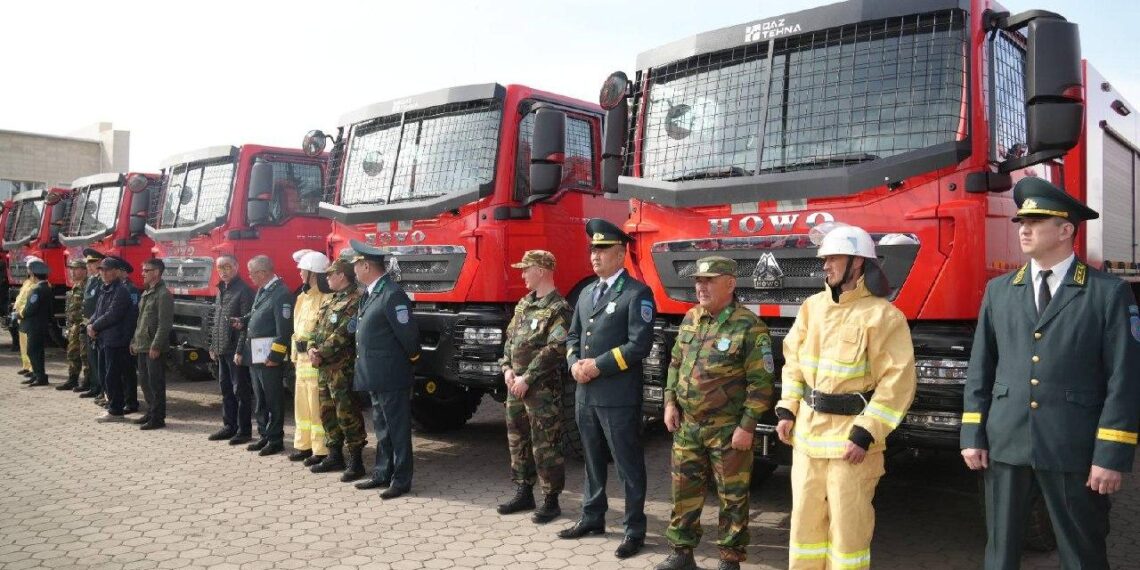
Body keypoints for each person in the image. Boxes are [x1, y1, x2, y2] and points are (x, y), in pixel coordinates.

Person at [960, 177, 1140, 569]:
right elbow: (981, 369)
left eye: (1037, 221)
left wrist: (1110, 455)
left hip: (1072, 448)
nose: (1024, 228)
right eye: (1022, 221)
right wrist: (973, 433)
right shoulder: (1000, 291)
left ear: (1065, 230)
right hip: (1006, 445)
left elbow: (1124, 380)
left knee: (1082, 553)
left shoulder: (1106, 292)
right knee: (1000, 554)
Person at [774, 223, 916, 570]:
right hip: (807, 437)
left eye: (833, 258)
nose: (825, 265)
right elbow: (794, 361)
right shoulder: (812, 307)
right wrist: (787, 409)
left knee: (848, 536)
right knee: (804, 530)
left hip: (852, 444)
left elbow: (897, 381)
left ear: (858, 262)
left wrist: (866, 432)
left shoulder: (883, 316)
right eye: (824, 259)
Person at [657, 256, 774, 570]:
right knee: (683, 491)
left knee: (732, 498)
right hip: (688, 426)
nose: (701, 286)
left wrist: (747, 425)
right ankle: (682, 554)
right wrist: (669, 402)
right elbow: (675, 364)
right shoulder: (691, 318)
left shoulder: (750, 326)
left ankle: (730, 559)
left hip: (727, 429)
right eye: (698, 280)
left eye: (709, 280)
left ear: (730, 284)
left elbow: (761, 382)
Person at [560, 218, 655, 560]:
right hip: (585, 394)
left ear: (621, 252)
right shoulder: (587, 292)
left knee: (628, 465)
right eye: (593, 250)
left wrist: (598, 364)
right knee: (591, 460)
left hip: (616, 396)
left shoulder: (636, 293)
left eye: (602, 250)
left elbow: (638, 345)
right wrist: (573, 362)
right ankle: (592, 516)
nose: (595, 256)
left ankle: (634, 530)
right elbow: (573, 335)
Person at [497, 250, 570, 524]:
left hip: (541, 391)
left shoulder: (559, 308)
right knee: (518, 439)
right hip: (515, 386)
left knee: (545, 444)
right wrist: (506, 369)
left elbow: (555, 348)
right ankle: (523, 490)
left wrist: (527, 378)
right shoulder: (523, 304)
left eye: (526, 269)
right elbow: (510, 340)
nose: (522, 274)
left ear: (541, 270)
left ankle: (551, 500)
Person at [350, 240, 420, 499]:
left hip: (391, 374)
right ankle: (382, 472)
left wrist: (409, 361)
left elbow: (409, 336)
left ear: (366, 265)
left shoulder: (392, 294)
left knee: (397, 429)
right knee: (381, 427)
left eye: (356, 265)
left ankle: (401, 480)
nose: (354, 271)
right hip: (375, 374)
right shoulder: (370, 293)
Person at [307, 257, 367, 481]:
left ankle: (356, 461)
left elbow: (344, 333)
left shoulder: (356, 299)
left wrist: (320, 351)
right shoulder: (330, 300)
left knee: (347, 412)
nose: (327, 279)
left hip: (342, 369)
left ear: (342, 275)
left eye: (330, 274)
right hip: (324, 367)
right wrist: (313, 348)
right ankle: (334, 455)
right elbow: (317, 327)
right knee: (327, 412)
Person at [237, 255, 294, 456]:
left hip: (269, 358)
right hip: (256, 356)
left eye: (252, 273)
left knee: (273, 400)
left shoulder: (281, 294)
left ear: (262, 273)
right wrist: (244, 321)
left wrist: (275, 356)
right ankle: (264, 435)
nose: (250, 277)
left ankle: (276, 439)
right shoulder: (263, 290)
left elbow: (284, 330)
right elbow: (258, 313)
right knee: (260, 399)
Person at [289, 250, 332, 465]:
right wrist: (294, 356)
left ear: (312, 273)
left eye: (302, 271)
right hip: (302, 362)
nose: (299, 275)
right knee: (302, 407)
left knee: (317, 408)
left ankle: (321, 449)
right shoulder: (301, 298)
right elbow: (295, 330)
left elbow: (323, 331)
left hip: (316, 361)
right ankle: (303, 445)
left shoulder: (326, 299)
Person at [208, 255, 256, 444]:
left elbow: (246, 324)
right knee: (226, 389)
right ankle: (229, 426)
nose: (223, 271)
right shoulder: (221, 289)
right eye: (220, 268)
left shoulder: (244, 291)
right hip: (221, 349)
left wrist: (239, 351)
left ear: (236, 267)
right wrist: (213, 345)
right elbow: (217, 322)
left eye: (227, 267)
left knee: (240, 391)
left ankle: (244, 430)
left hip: (234, 352)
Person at [89, 256, 137, 422]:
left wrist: (95, 327)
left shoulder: (121, 290)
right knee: (104, 374)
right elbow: (99, 310)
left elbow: (113, 314)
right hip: (105, 339)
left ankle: (116, 410)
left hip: (116, 340)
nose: (104, 273)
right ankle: (112, 405)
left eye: (107, 270)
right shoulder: (105, 288)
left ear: (116, 271)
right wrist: (91, 323)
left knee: (113, 376)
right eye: (102, 270)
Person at [130, 259, 173, 430]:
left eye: (146, 270)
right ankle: (150, 412)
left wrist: (156, 346)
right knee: (145, 382)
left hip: (153, 347)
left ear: (156, 272)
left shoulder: (163, 294)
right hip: (142, 344)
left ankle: (157, 418)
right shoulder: (147, 293)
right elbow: (140, 320)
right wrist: (134, 340)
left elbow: (165, 324)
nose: (143, 273)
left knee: (155, 384)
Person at [18, 260, 53, 387]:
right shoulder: (46, 287)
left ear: (34, 274)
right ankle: (37, 375)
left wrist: (19, 314)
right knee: (36, 351)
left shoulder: (37, 289)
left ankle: (40, 376)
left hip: (34, 325)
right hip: (39, 324)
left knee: (33, 351)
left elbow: (30, 309)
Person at [57, 258, 89, 391]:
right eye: (71, 269)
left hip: (83, 326)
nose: (72, 272)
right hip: (73, 326)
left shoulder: (88, 286)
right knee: (72, 353)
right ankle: (72, 379)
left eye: (75, 269)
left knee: (85, 355)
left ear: (84, 270)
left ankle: (88, 382)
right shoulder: (75, 286)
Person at [79, 249, 106, 400]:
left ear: (100, 263)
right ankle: (95, 387)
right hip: (88, 324)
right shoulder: (90, 280)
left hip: (98, 325)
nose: (88, 267)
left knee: (98, 360)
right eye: (87, 264)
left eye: (92, 263)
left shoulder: (102, 281)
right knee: (91, 359)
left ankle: (103, 389)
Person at [12, 257, 40, 377]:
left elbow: (32, 303)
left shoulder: (37, 283)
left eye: (29, 267)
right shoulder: (27, 282)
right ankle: (26, 366)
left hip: (29, 317)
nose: (27, 270)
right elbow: (21, 297)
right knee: (23, 343)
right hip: (21, 317)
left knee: (31, 346)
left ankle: (34, 368)